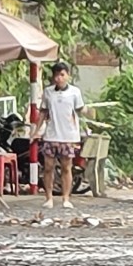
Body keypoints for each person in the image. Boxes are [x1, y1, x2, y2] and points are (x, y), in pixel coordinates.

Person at [38, 61, 87, 205]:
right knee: (48, 167)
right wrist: (36, 130)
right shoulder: (48, 92)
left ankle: (66, 198)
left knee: (66, 167)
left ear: (67, 76)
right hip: (51, 134)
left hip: (68, 135)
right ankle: (49, 198)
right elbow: (43, 112)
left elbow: (79, 110)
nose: (59, 78)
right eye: (56, 75)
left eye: (62, 75)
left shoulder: (75, 92)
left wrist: (86, 111)